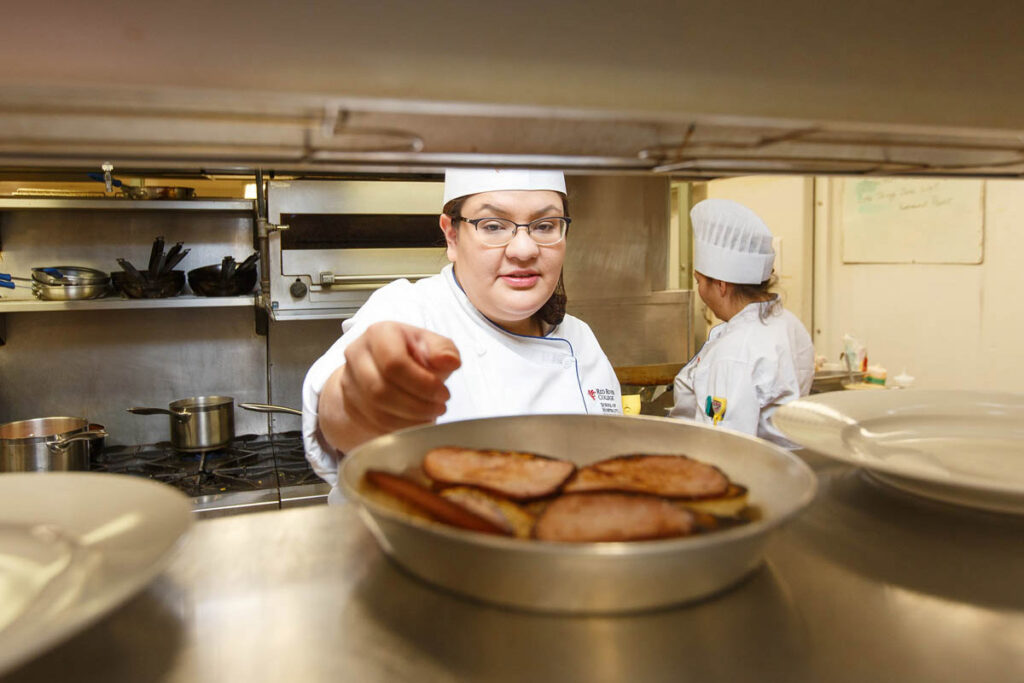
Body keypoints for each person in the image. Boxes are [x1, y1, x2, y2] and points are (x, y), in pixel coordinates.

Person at [302, 169, 622, 501]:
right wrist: (361, 401)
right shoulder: (408, 310)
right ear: (452, 236)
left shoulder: (581, 340)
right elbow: (339, 411)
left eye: (545, 226)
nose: (524, 249)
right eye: (493, 226)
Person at [669, 198, 814, 448]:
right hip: (781, 460)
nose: (700, 291)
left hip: (746, 467)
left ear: (721, 286)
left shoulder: (734, 352)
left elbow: (723, 447)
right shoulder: (788, 323)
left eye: (699, 281)